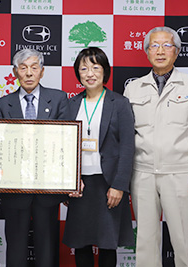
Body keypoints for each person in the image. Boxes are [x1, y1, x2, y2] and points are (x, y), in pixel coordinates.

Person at [124, 26, 188, 267]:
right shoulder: (133, 88)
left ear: (177, 51)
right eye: (154, 46)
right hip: (143, 173)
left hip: (181, 173)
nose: (160, 51)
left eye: (166, 45)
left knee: (183, 240)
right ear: (147, 52)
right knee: (146, 242)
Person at [0, 48, 69, 267]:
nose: (29, 73)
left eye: (34, 67)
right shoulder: (1, 104)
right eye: (23, 68)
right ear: (15, 72)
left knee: (47, 248)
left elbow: (66, 143)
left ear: (42, 72)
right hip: (14, 189)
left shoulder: (59, 98)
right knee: (15, 248)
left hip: (48, 189)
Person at [62, 47, 135, 267]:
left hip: (108, 183)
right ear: (78, 73)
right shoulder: (70, 104)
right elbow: (63, 147)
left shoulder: (119, 103)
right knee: (81, 242)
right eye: (84, 68)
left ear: (105, 72)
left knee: (107, 244)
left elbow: (128, 147)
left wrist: (119, 185)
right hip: (80, 185)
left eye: (96, 67)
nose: (90, 73)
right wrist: (68, 184)